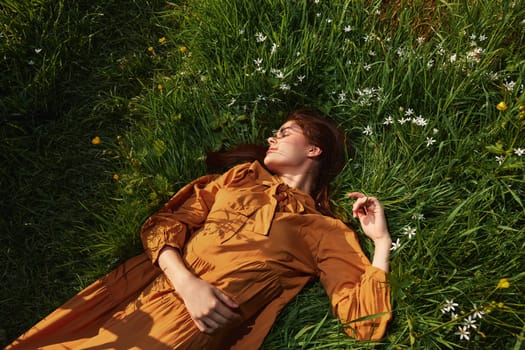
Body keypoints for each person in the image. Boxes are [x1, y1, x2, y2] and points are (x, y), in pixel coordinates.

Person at [7, 108, 392, 349]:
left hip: (192, 332)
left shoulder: (324, 230)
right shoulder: (240, 178)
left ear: (314, 150)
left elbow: (365, 324)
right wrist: (186, 282)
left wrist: (380, 243)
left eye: (286, 132)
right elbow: (166, 224)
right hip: (142, 297)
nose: (272, 138)